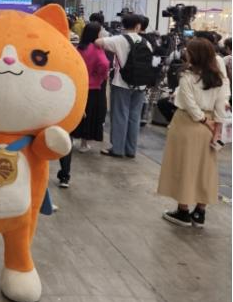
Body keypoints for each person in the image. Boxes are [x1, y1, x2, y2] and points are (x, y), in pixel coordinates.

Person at [157, 38, 229, 227]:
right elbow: (221, 106)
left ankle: (183, 211)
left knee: (184, 167)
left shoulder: (187, 76)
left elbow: (189, 104)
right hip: (210, 127)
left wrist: (204, 120)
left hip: (186, 124)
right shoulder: (219, 78)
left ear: (194, 55)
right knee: (205, 169)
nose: (185, 53)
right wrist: (216, 128)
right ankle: (200, 212)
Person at [95, 14, 154, 158]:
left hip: (121, 83)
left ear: (123, 25)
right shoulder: (146, 42)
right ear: (138, 26)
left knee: (120, 115)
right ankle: (130, 150)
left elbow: (98, 42)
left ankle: (117, 149)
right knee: (134, 117)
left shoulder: (119, 39)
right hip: (140, 85)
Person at [72, 23, 110, 153]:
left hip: (79, 85)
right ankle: (84, 144)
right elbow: (104, 64)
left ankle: (71, 138)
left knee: (77, 113)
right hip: (93, 87)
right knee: (89, 115)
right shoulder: (96, 48)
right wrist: (102, 75)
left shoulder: (79, 48)